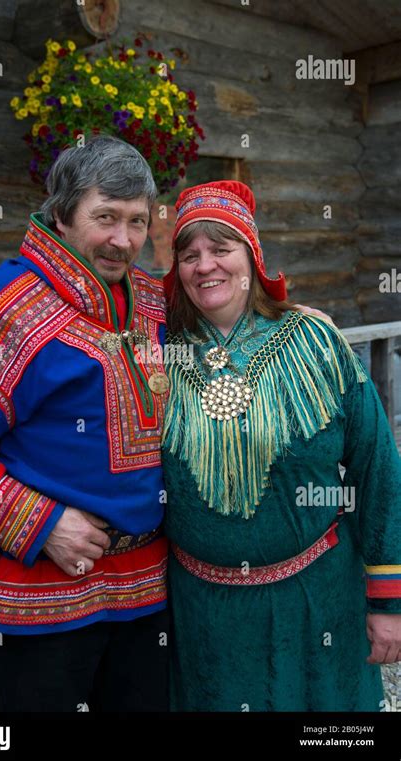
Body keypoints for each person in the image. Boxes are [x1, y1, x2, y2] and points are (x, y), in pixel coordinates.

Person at [0, 136, 171, 712]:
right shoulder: (3, 306)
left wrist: (285, 310)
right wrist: (41, 522)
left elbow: (227, 302)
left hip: (152, 588)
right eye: (105, 217)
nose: (123, 240)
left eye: (137, 221)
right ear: (61, 214)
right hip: (50, 589)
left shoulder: (155, 301)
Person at [161, 180, 401, 712]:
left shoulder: (317, 340)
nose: (205, 266)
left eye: (221, 249)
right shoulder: (158, 352)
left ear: (252, 256)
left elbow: (377, 469)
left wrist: (389, 599)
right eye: (189, 254)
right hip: (204, 612)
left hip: (317, 600)